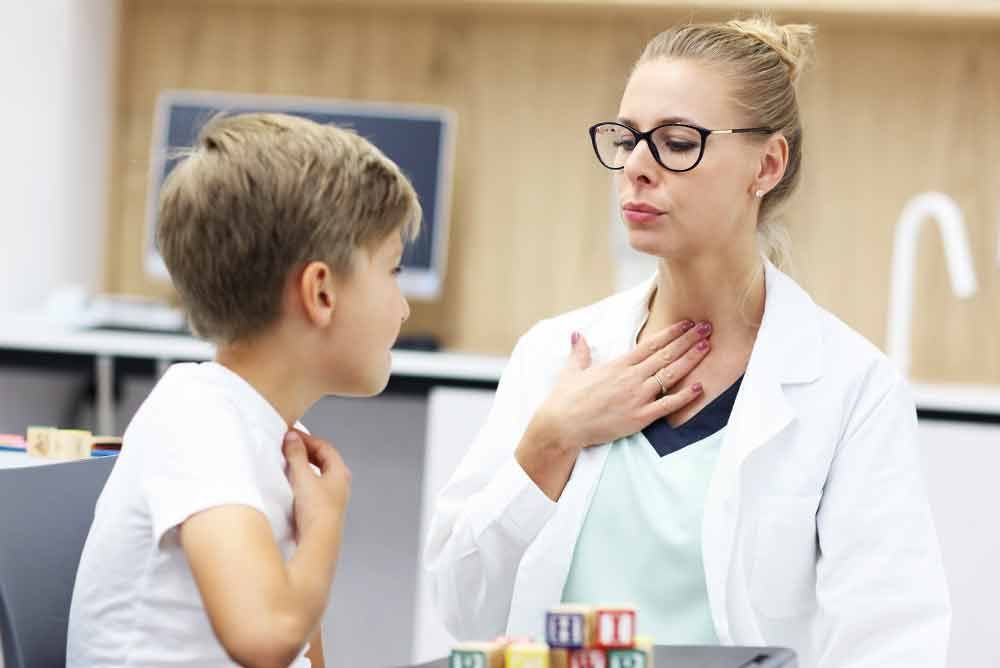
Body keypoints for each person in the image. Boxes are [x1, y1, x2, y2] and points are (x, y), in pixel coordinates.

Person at [426, 16, 950, 666]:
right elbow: (461, 607)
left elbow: (892, 642)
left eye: (678, 142)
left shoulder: (850, 388)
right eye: (626, 139)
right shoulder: (555, 355)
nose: (637, 169)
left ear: (767, 163)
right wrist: (549, 441)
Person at [67, 112, 420, 667]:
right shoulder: (196, 418)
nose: (403, 307)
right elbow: (267, 636)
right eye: (394, 271)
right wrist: (322, 528)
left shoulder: (275, 436)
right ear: (320, 292)